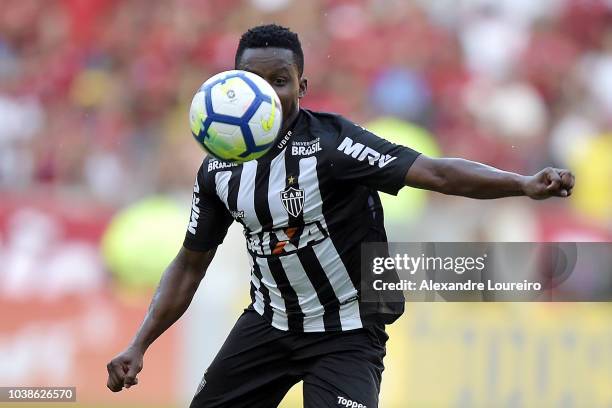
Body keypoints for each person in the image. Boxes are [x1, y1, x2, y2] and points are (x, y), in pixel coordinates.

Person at [106, 24, 575, 407]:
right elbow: (190, 264)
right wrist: (140, 342)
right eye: (255, 82)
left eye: (281, 81)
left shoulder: (332, 145)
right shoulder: (218, 170)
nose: (267, 96)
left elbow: (436, 173)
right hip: (268, 325)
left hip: (347, 332)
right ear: (235, 85)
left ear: (302, 87)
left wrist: (523, 183)